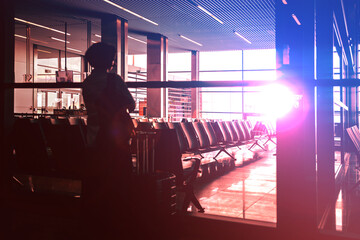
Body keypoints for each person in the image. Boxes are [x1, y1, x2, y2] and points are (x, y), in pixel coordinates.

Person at [82, 42, 135, 239]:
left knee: (97, 185)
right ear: (108, 60)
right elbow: (131, 104)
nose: (113, 61)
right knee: (119, 186)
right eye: (112, 57)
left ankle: (96, 227)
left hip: (94, 140)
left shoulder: (87, 83)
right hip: (115, 141)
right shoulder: (115, 80)